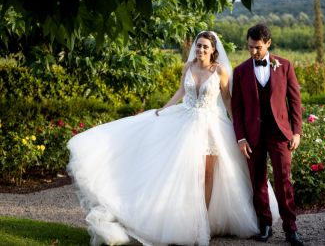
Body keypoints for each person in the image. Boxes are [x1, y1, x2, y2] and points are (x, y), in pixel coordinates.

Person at [67, 31, 279, 246]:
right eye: (198, 46)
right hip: (184, 122)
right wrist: (163, 110)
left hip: (210, 127)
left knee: (207, 173)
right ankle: (183, 217)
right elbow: (181, 91)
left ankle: (203, 219)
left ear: (213, 49)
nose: (201, 50)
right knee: (183, 170)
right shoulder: (187, 67)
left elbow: (227, 100)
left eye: (205, 46)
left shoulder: (220, 71)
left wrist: (238, 129)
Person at [231, 24, 304, 246]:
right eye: (250, 47)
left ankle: (291, 228)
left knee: (284, 182)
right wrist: (241, 138)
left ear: (268, 43)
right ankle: (265, 225)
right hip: (252, 136)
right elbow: (237, 108)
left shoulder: (285, 66)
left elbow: (295, 101)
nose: (253, 52)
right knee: (258, 181)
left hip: (280, 134)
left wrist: (297, 132)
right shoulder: (240, 71)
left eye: (258, 48)